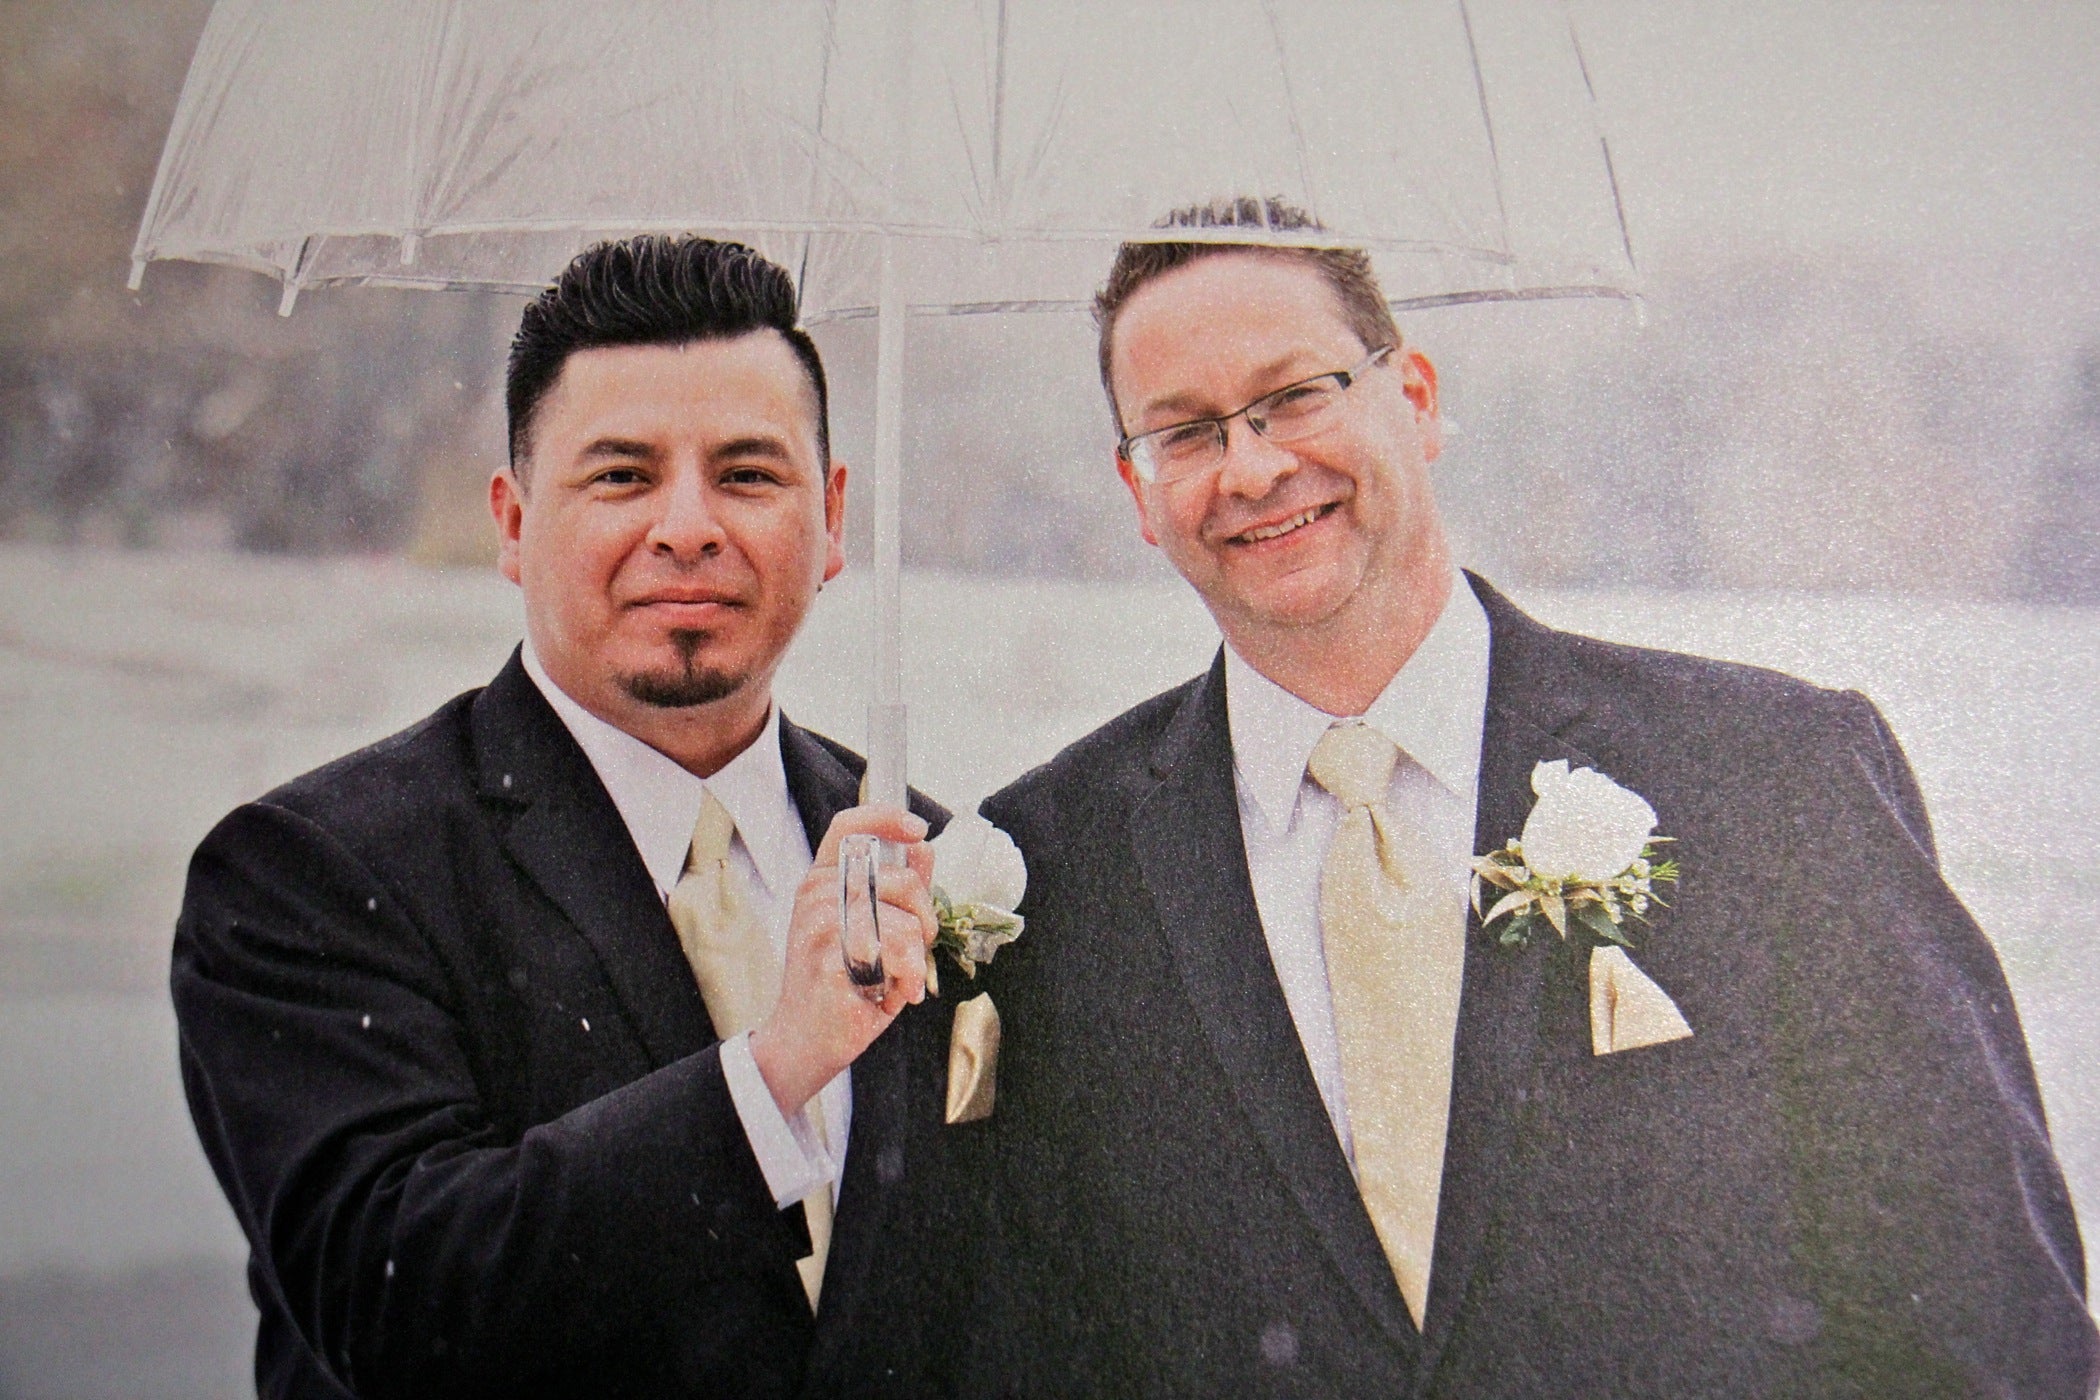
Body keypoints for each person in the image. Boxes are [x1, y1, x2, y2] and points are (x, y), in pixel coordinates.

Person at [967, 199, 2099, 1396]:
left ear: (1414, 398)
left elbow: (1992, 1326)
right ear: (1138, 490)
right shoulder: (1044, 877)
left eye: (1294, 395)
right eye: (1185, 432)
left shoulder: (1777, 775)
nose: (1251, 466)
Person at [172, 236, 963, 1398]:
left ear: (833, 515)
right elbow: (394, 1301)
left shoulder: (917, 853)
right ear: (512, 519)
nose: (688, 525)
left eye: (748, 473)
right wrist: (777, 1065)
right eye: (623, 475)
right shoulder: (312, 871)